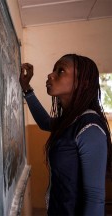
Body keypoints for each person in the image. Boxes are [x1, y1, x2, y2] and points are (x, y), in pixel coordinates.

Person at [20, 54, 112, 215]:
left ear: (82, 83)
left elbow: (95, 198)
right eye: (54, 69)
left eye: (61, 70)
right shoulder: (71, 121)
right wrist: (26, 88)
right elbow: (45, 122)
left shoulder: (89, 128)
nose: (50, 74)